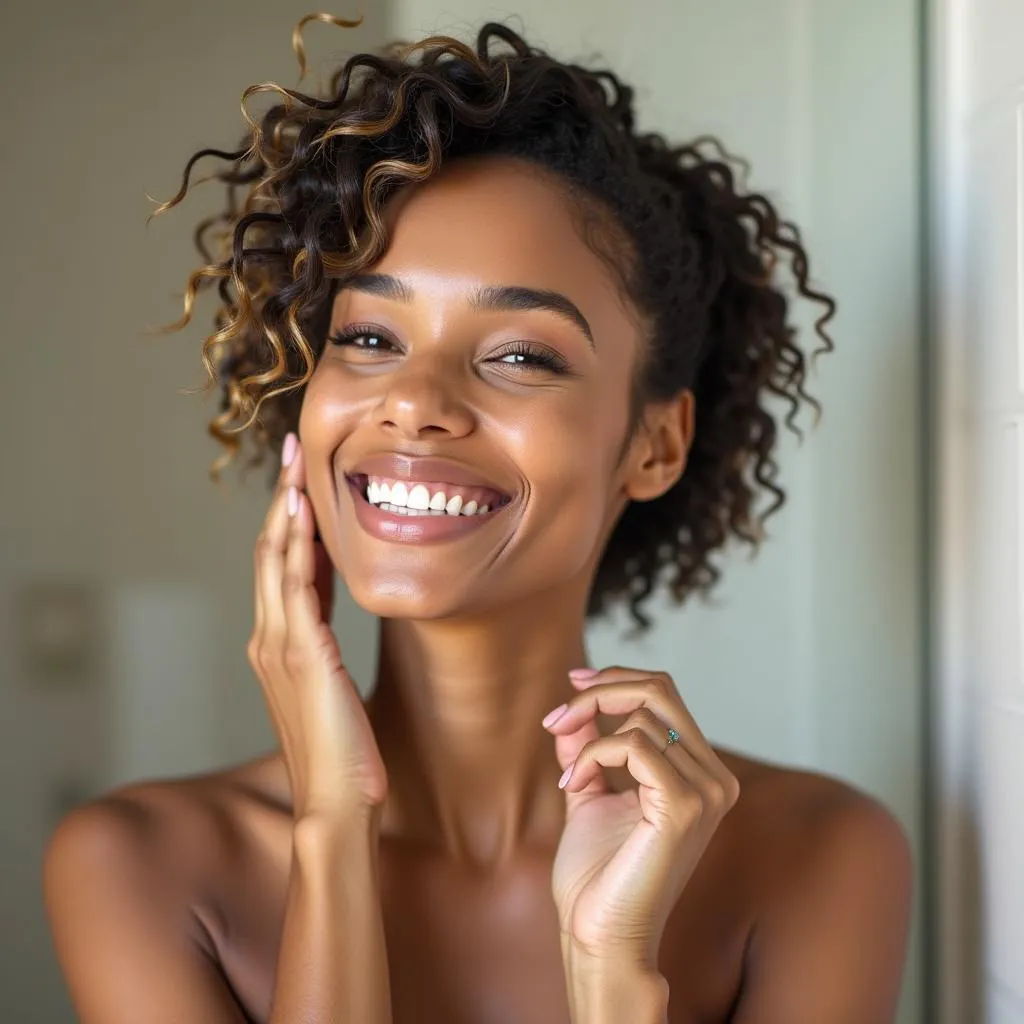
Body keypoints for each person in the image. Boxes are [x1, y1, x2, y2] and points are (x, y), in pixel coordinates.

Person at [42, 14, 913, 1024]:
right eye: (368, 334)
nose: (412, 399)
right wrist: (333, 829)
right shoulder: (138, 865)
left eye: (521, 354)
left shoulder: (820, 858)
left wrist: (612, 964)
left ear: (654, 445)